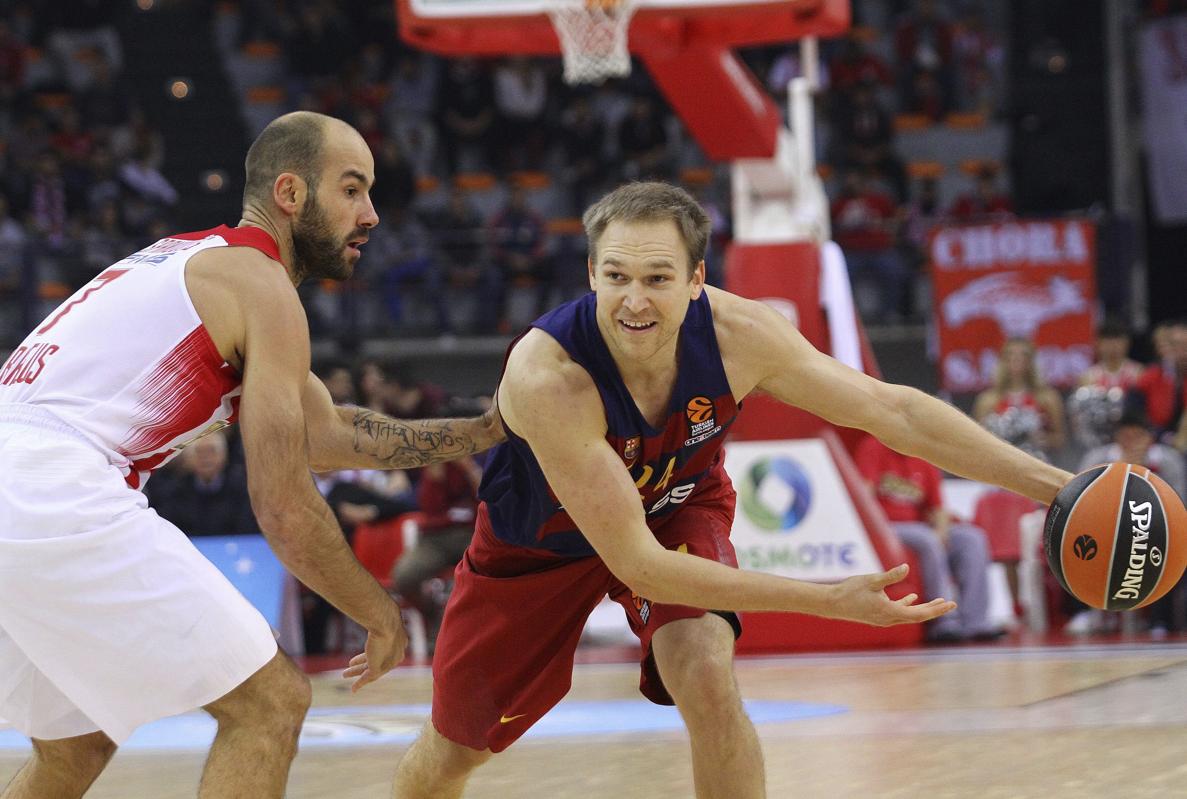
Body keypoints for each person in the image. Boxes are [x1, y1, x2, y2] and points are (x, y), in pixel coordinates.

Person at [384, 182, 1072, 799]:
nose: (633, 298)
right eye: (616, 275)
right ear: (591, 273)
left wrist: (1062, 487)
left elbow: (890, 410)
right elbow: (638, 566)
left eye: (657, 277)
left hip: (676, 504)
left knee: (707, 677)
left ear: (695, 280)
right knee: (455, 749)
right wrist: (828, 600)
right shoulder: (548, 376)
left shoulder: (741, 334)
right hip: (536, 546)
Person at [0, 111, 503, 799]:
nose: (372, 215)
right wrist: (378, 612)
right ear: (291, 194)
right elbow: (285, 505)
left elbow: (329, 434)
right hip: (51, 487)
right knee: (270, 703)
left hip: (20, 479)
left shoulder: (193, 260)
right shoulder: (260, 285)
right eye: (352, 190)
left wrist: (487, 429)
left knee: (76, 741)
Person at [854, 434, 1000, 643]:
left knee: (972, 538)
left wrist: (942, 532)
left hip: (921, 526)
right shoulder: (873, 446)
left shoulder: (922, 456)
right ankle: (942, 619)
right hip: (886, 527)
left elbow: (939, 509)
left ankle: (975, 621)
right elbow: (864, 495)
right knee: (927, 538)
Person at [973, 338, 1067, 462]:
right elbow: (977, 440)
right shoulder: (988, 400)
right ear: (1002, 362)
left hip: (1037, 462)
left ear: (1031, 362)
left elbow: (1060, 438)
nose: (1016, 359)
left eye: (1023, 355)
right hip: (1000, 464)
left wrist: (1041, 439)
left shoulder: (1047, 398)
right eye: (1010, 355)